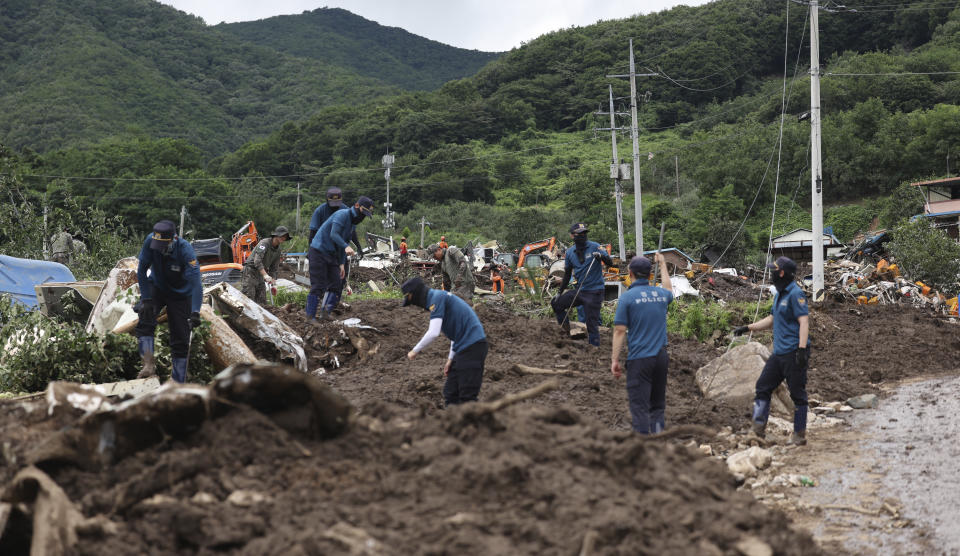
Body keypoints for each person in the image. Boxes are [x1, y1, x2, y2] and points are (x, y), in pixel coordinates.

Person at [733, 256, 811, 445]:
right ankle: (757, 431)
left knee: (797, 394)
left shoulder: (795, 294)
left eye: (774, 270)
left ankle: (799, 435)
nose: (771, 273)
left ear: (782, 272)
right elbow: (772, 320)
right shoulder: (779, 294)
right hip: (779, 354)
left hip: (794, 352)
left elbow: (804, 322)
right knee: (763, 387)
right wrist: (748, 328)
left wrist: (801, 350)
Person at [611, 254, 674, 434]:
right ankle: (658, 440)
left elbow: (619, 330)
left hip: (640, 359)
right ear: (649, 275)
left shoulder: (627, 298)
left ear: (630, 273)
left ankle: (644, 448)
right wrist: (662, 264)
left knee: (639, 407)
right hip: (661, 357)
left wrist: (614, 360)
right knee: (657, 406)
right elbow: (669, 289)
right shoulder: (661, 295)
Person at [402, 277, 488, 406]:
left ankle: (474, 423)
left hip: (473, 346)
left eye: (412, 301)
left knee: (467, 395)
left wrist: (414, 351)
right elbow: (456, 334)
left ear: (415, 295)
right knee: (450, 393)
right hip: (463, 348)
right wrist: (450, 360)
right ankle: (453, 422)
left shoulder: (436, 298)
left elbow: (433, 332)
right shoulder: (438, 298)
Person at [135, 220, 203, 383]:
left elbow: (196, 284)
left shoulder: (185, 250)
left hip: (181, 293)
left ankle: (178, 378)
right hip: (158, 286)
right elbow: (141, 270)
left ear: (172, 239)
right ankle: (148, 366)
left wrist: (195, 311)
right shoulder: (150, 241)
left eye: (162, 246)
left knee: (180, 334)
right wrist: (146, 299)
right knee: (145, 319)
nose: (159, 249)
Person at [307, 197, 374, 321]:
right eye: (362, 213)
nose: (362, 217)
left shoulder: (352, 225)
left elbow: (344, 243)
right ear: (357, 205)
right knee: (318, 285)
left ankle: (325, 313)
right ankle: (310, 317)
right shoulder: (342, 215)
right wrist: (346, 246)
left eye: (365, 215)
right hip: (318, 251)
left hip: (332, 254)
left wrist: (342, 263)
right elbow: (334, 234)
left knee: (337, 284)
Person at [551, 222, 613, 347]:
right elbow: (567, 274)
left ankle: (594, 348)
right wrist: (559, 292)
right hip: (581, 290)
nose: (582, 235)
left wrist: (601, 256)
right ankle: (566, 334)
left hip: (595, 291)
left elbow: (610, 262)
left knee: (591, 322)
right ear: (572, 236)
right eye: (579, 234)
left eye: (584, 233)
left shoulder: (595, 246)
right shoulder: (569, 253)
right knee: (556, 303)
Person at [241, 226, 290, 304]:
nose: (283, 238)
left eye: (285, 236)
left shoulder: (278, 250)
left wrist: (273, 283)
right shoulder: (265, 243)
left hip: (260, 274)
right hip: (250, 271)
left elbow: (274, 268)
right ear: (276, 235)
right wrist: (265, 275)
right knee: (249, 299)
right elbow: (257, 261)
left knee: (262, 301)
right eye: (282, 235)